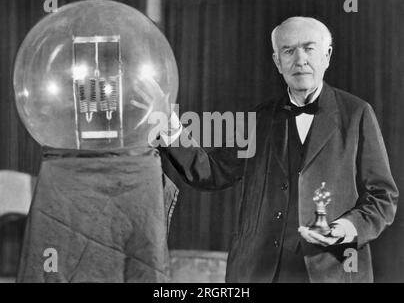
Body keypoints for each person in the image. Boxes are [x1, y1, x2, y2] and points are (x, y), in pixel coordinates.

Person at [158, 17, 399, 282]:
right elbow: (212, 172)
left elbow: (382, 197)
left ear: (327, 55)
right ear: (277, 61)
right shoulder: (258, 118)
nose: (300, 60)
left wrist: (347, 227)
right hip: (259, 272)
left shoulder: (357, 114)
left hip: (332, 271)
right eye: (288, 50)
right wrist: (172, 131)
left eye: (309, 48)